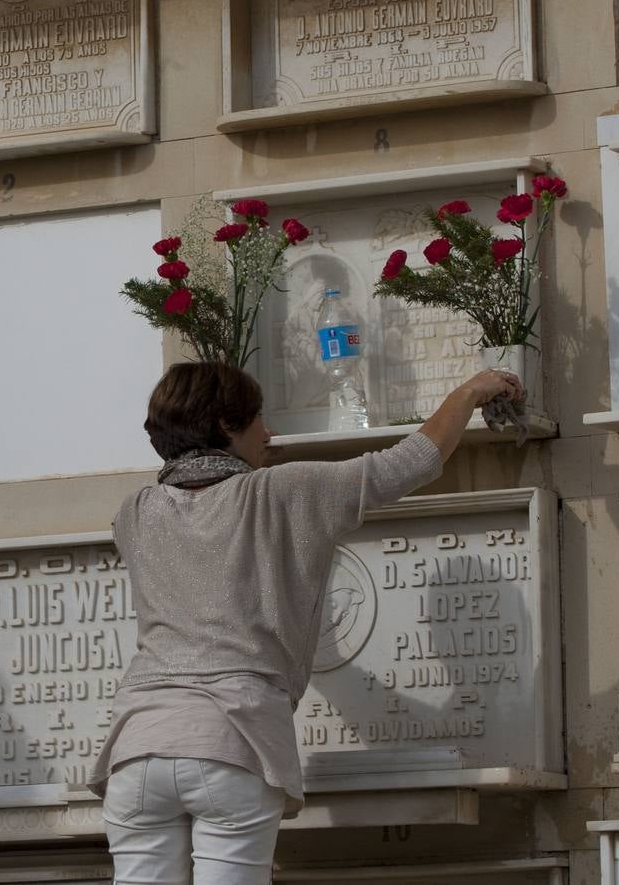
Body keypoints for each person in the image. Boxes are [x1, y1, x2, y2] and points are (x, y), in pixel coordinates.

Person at [89, 361, 523, 884]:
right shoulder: (281, 491)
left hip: (137, 750)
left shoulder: (134, 513)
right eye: (257, 420)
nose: (269, 434)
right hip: (232, 742)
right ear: (226, 425)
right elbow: (412, 461)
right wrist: (470, 390)